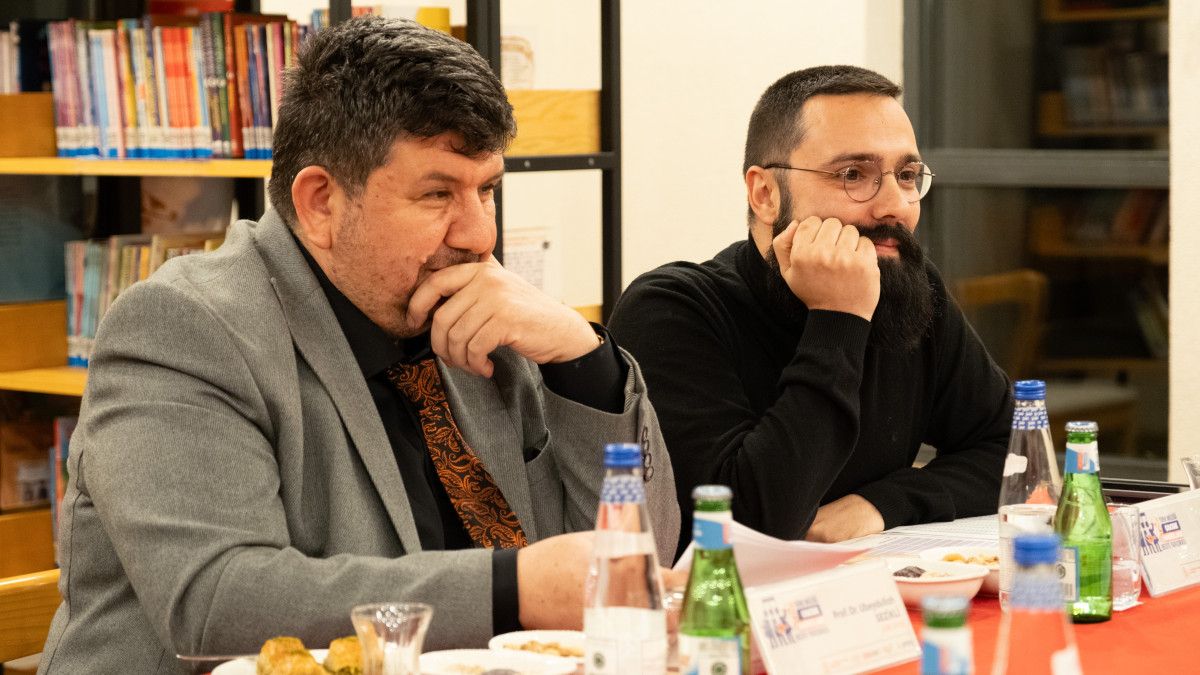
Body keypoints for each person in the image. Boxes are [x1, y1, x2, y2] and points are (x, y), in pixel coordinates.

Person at [39, 16, 678, 673]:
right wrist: (516, 588)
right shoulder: (183, 326)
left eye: (487, 190)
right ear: (320, 202)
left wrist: (583, 361)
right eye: (438, 194)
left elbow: (638, 569)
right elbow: (218, 601)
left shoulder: (479, 314)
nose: (480, 235)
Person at [609, 65, 1011, 558]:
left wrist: (881, 504)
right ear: (765, 194)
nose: (896, 206)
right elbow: (747, 529)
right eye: (853, 175)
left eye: (907, 176)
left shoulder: (905, 285)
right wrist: (839, 319)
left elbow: (1014, 454)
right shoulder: (672, 311)